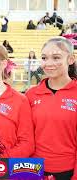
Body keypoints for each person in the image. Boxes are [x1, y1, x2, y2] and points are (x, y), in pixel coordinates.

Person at [25, 37, 77, 179]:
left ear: (71, 59)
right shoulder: (30, 94)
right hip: (33, 169)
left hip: (67, 171)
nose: (49, 63)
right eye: (44, 58)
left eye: (56, 58)